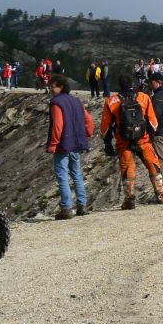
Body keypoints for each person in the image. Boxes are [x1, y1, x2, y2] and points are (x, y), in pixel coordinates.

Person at [101, 74, 163, 209]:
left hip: (124, 141)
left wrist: (107, 143)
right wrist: (151, 136)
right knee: (153, 165)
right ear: (132, 83)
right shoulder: (144, 97)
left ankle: (129, 200)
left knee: (128, 169)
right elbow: (153, 122)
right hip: (143, 140)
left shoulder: (111, 101)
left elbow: (105, 127)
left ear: (119, 85)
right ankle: (161, 194)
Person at [46, 75, 94, 220]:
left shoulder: (56, 103)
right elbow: (89, 121)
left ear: (60, 86)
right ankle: (82, 205)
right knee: (77, 173)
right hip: (77, 143)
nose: (50, 89)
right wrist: (87, 134)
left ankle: (66, 208)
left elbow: (58, 125)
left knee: (62, 175)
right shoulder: (76, 101)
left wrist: (53, 143)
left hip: (63, 145)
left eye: (52, 86)